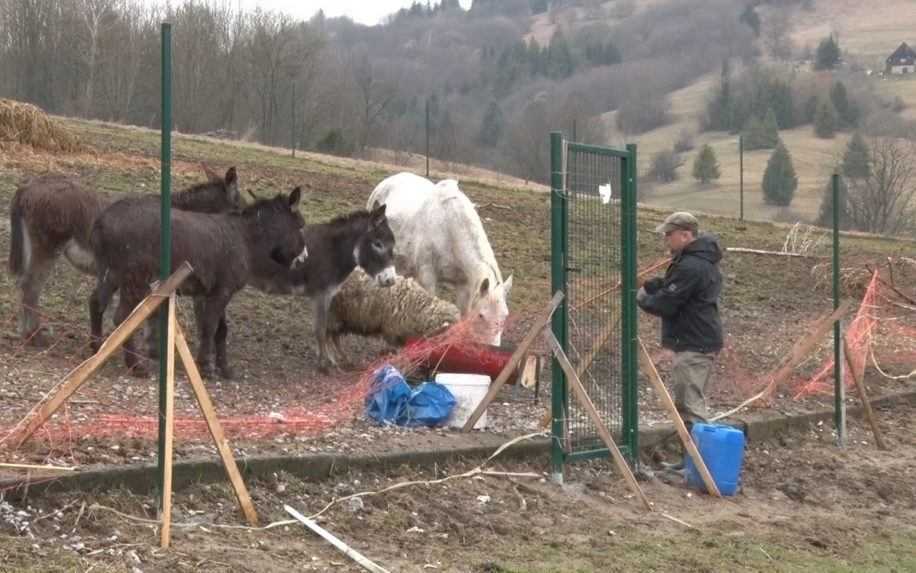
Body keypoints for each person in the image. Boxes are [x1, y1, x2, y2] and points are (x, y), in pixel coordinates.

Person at [636, 211, 723, 431]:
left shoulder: (691, 266)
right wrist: (654, 284)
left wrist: (641, 297)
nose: (666, 239)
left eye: (669, 234)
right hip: (697, 340)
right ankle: (690, 461)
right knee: (686, 404)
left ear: (685, 235)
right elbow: (676, 289)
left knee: (690, 406)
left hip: (694, 344)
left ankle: (698, 463)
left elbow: (667, 304)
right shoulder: (695, 262)